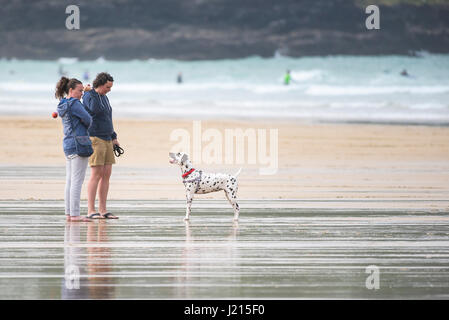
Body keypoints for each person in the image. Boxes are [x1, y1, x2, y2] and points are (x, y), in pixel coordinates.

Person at [55, 76, 94, 222]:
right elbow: (88, 119)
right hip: (79, 143)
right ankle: (75, 214)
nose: (82, 93)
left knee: (70, 181)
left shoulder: (63, 104)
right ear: (71, 90)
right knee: (77, 181)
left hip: (68, 144)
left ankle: (69, 213)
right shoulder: (75, 103)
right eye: (80, 90)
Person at [83, 72, 119, 219]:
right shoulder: (88, 96)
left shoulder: (104, 97)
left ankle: (103, 210)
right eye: (107, 87)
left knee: (106, 175)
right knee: (96, 174)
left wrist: (114, 137)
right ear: (100, 84)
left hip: (107, 138)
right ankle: (91, 210)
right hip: (95, 137)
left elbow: (107, 117)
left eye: (110, 87)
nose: (109, 89)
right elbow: (95, 110)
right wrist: (92, 91)